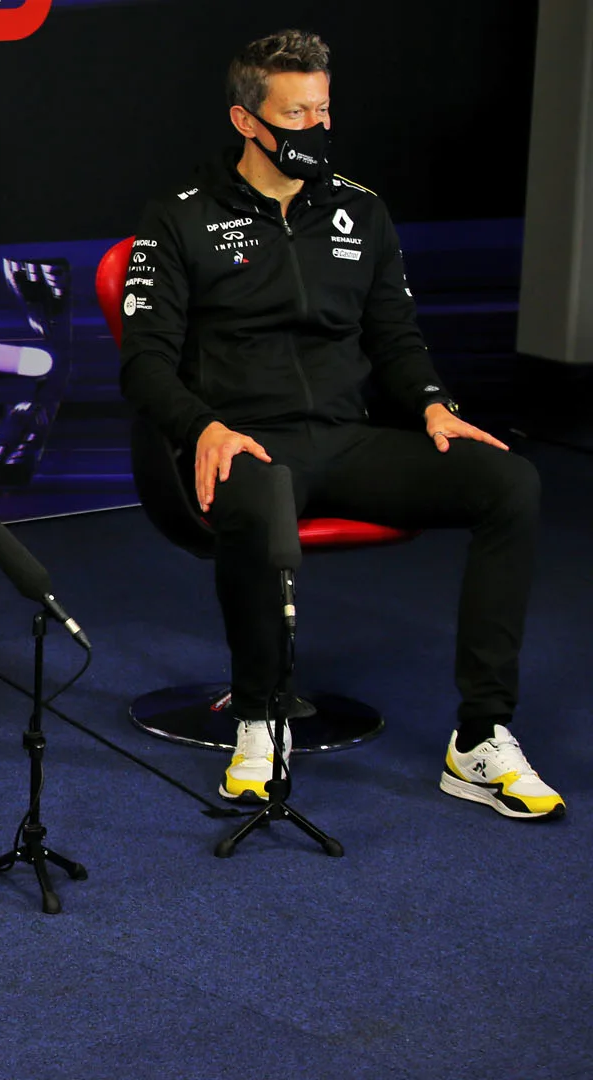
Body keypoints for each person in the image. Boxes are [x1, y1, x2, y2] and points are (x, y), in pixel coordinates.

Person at [119, 31, 559, 820]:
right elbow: (144, 361)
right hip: (244, 441)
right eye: (296, 114)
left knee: (509, 483)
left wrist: (431, 403)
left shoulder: (362, 209)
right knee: (258, 490)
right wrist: (204, 426)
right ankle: (260, 717)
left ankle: (482, 738)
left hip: (346, 440)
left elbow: (396, 338)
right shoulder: (178, 217)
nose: (315, 129)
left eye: (323, 110)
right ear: (247, 121)